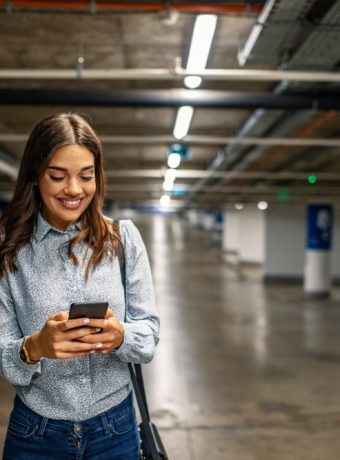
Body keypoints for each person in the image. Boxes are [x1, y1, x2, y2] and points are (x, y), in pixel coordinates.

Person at [0, 112, 160, 460]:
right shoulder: (7, 249)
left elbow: (149, 337)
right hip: (35, 434)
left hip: (115, 430)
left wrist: (120, 337)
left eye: (86, 176)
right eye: (58, 176)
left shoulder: (123, 240)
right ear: (35, 176)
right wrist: (35, 347)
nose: (74, 189)